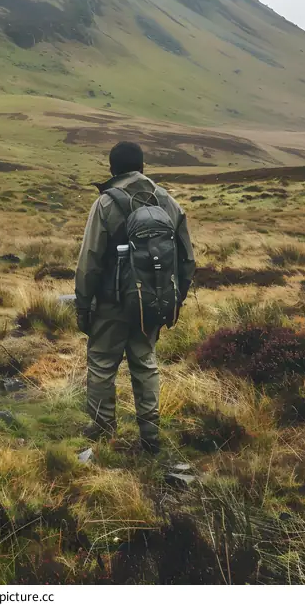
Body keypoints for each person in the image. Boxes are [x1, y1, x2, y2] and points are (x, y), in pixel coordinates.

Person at [75, 141, 195, 452]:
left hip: (110, 303)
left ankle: (102, 431)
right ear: (143, 167)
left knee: (102, 363)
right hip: (151, 302)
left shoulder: (105, 203)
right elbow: (187, 259)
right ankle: (150, 434)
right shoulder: (167, 201)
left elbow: (89, 260)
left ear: (112, 169)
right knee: (145, 363)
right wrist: (174, 299)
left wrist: (83, 304)